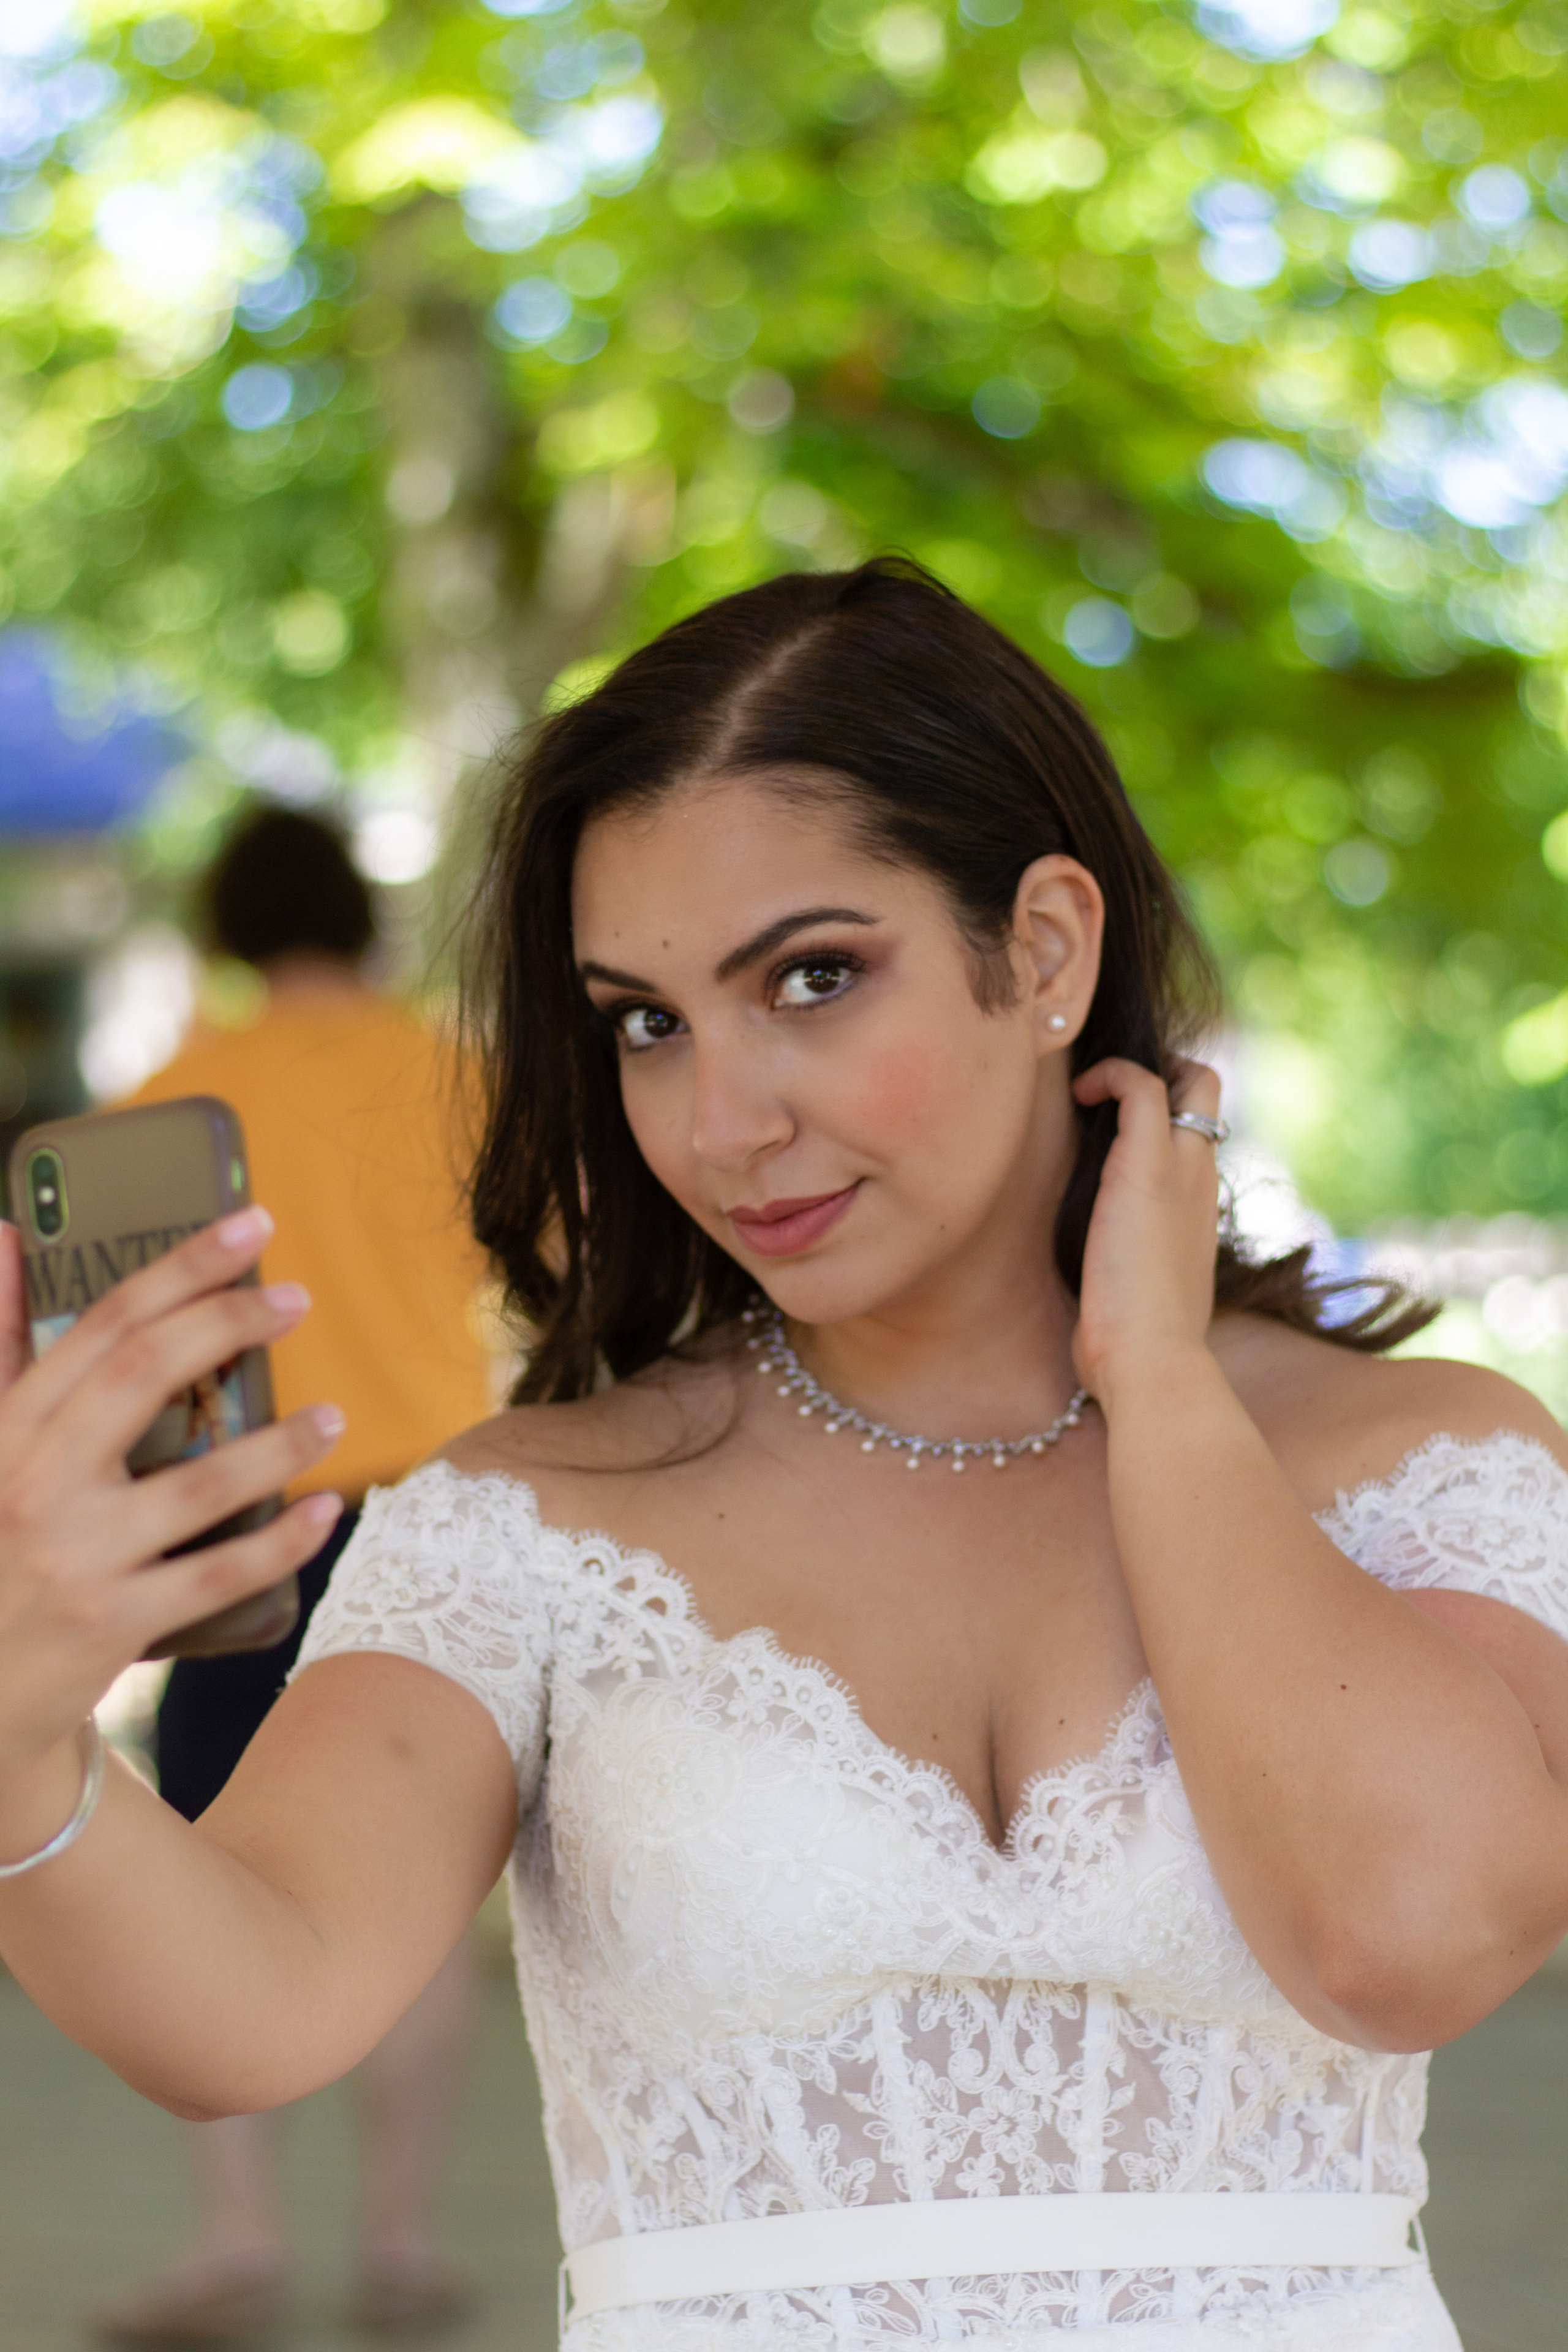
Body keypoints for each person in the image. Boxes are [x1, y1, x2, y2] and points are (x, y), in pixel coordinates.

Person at [2, 559, 1567, 2352]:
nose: (721, 1122)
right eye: (647, 1024)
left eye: (813, 978)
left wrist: (1163, 1383)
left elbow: (1413, 1937)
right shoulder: (532, 1520)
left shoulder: (1428, 1460)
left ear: (1047, 950)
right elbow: (241, 2018)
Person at [92, 806, 494, 2344]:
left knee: (205, 1867)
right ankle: (396, 2240)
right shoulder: (453, 1072)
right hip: (433, 1518)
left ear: (226, 926)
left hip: (243, 1523)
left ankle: (240, 2241)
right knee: (432, 1895)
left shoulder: (178, 1095)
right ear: (356, 912)